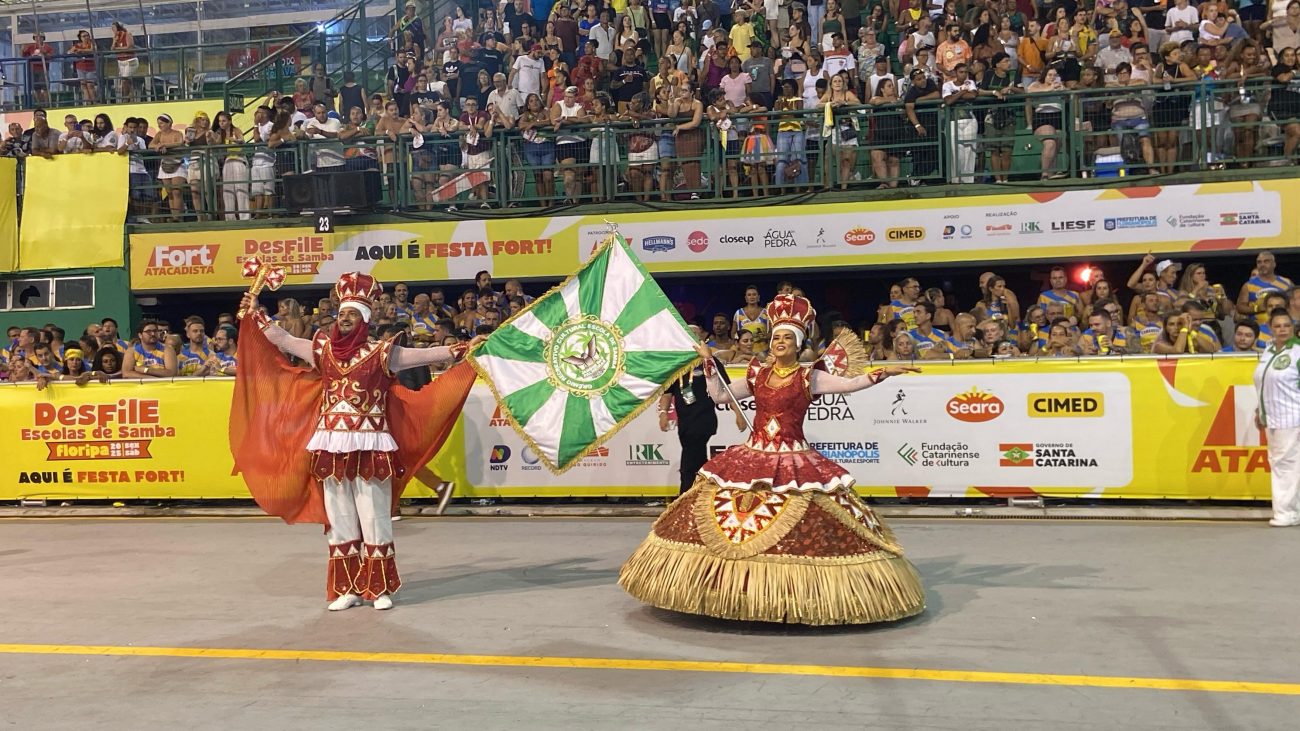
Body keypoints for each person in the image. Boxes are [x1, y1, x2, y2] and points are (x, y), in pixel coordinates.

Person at [620, 294, 926, 625]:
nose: (780, 342)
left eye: (787, 338)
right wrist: (709, 364)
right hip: (752, 454)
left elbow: (851, 384)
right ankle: (730, 589)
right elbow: (720, 395)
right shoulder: (757, 375)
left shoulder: (810, 376)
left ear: (798, 344)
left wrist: (882, 373)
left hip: (794, 458)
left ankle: (795, 595)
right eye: (776, 336)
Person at [232, 272, 480, 611]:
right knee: (340, 516)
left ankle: (378, 589)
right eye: (342, 313)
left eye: (352, 314)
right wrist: (255, 312)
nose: (344, 318)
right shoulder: (323, 351)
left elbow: (421, 357)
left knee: (374, 515)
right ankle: (346, 589)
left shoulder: (381, 353)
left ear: (364, 319)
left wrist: (459, 349)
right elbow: (285, 340)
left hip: (372, 443)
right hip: (331, 443)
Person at [658, 321, 745, 496]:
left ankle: (684, 496)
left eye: (694, 333)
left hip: (704, 419)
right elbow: (667, 393)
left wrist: (739, 414)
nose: (690, 337)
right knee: (696, 458)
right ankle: (704, 492)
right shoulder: (676, 364)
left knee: (689, 460)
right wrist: (663, 414)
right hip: (685, 422)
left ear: (701, 337)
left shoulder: (710, 362)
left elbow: (728, 390)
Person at [1254, 309, 1300, 527]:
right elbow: (1264, 384)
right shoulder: (1269, 350)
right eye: (1278, 326)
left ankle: (1285, 513)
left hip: (1291, 417)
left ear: (1293, 328)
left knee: (1285, 465)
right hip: (1271, 417)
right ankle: (1294, 510)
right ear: (1271, 329)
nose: (1283, 329)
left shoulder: (1297, 352)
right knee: (1284, 464)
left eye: (1287, 326)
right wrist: (1259, 410)